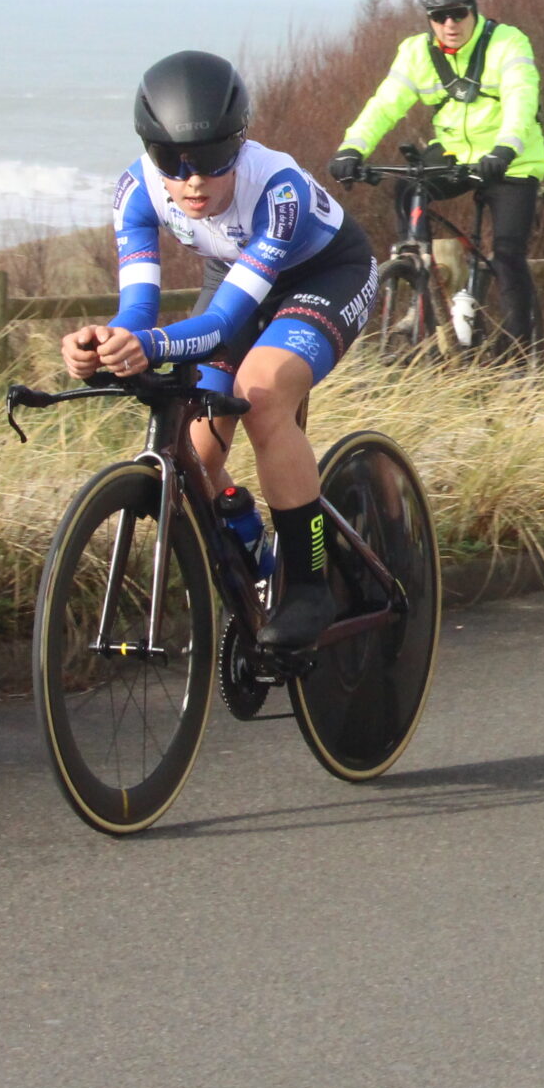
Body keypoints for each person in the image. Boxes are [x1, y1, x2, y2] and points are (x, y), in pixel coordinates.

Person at [61, 51, 380, 649]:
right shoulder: (135, 189)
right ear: (149, 152)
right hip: (235, 275)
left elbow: (223, 322)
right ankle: (254, 556)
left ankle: (309, 585)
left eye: (211, 159)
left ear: (239, 143)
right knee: (199, 451)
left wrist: (149, 346)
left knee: (261, 393)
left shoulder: (278, 188)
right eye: (171, 160)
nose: (192, 180)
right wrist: (104, 343)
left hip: (324, 275)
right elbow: (137, 311)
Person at [330, 0, 544, 355]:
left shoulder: (508, 43)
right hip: (454, 154)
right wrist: (352, 148)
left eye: (458, 12)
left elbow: (521, 99)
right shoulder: (417, 53)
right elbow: (384, 105)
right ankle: (418, 277)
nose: (450, 23)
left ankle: (521, 358)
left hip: (511, 161)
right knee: (407, 187)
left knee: (507, 255)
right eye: (438, 15)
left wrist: (505, 148)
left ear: (473, 8)